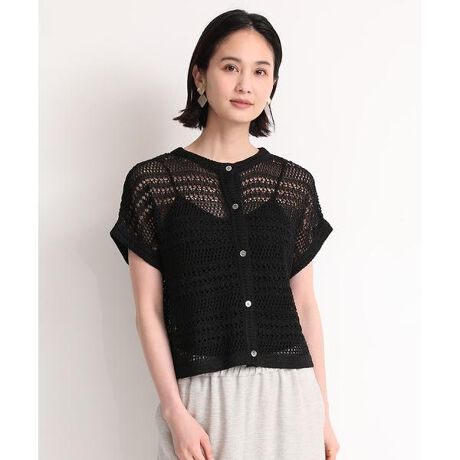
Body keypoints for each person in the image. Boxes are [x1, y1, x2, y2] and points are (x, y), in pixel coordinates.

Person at [109, 8, 340, 460]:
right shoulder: (153, 183)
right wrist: (175, 412)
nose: (245, 85)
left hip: (291, 399)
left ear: (272, 85)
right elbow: (147, 311)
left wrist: (323, 413)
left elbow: (306, 306)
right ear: (200, 75)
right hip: (201, 403)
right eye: (230, 67)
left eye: (260, 71)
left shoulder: (293, 184)